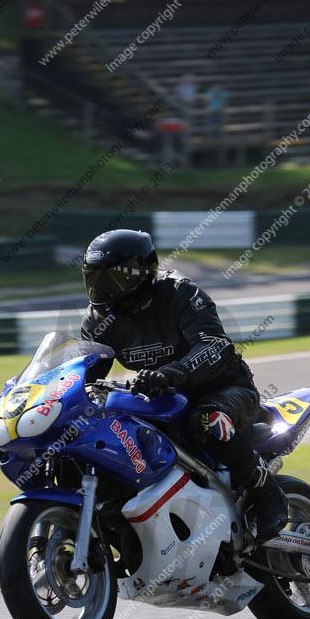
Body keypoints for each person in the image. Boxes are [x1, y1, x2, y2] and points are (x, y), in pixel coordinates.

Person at [81, 229, 288, 543]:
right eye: (95, 280)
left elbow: (214, 346)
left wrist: (170, 374)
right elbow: (87, 369)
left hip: (223, 389)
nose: (103, 290)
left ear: (139, 274)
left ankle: (266, 492)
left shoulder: (180, 294)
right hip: (160, 400)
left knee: (205, 421)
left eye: (111, 280)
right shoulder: (100, 319)